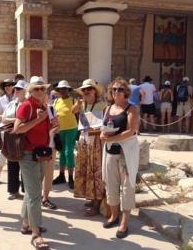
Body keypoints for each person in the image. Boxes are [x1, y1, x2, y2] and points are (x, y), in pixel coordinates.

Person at [14, 76, 55, 250]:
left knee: (32, 191)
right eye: (36, 89)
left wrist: (54, 124)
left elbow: (49, 128)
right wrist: (39, 119)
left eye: (42, 89)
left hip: (41, 153)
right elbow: (18, 129)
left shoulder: (44, 106)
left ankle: (26, 224)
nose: (40, 91)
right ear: (30, 91)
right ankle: (36, 234)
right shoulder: (27, 106)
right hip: (28, 154)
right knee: (35, 193)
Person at [100, 77, 139, 239]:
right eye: (114, 89)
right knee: (111, 184)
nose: (116, 92)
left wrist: (110, 139)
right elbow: (104, 127)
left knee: (126, 187)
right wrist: (103, 134)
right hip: (110, 152)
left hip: (125, 154)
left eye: (120, 89)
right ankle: (114, 215)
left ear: (126, 92)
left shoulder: (131, 109)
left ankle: (124, 221)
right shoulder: (108, 109)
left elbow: (132, 130)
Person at [73, 79, 106, 216]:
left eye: (89, 89)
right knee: (86, 170)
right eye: (84, 90)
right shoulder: (82, 104)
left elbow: (106, 123)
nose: (86, 92)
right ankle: (92, 198)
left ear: (95, 91)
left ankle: (97, 203)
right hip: (84, 139)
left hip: (96, 140)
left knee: (95, 171)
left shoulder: (103, 105)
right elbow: (72, 111)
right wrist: (79, 102)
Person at [1, 80, 28, 200]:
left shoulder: (28, 104)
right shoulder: (11, 104)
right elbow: (4, 119)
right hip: (11, 136)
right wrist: (17, 120)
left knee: (25, 164)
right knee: (12, 162)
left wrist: (15, 120)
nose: (16, 90)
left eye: (19, 89)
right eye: (15, 88)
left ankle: (27, 190)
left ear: (25, 91)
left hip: (25, 136)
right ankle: (13, 190)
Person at [52, 80, 78, 189]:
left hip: (71, 129)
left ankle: (71, 177)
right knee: (61, 153)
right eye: (61, 89)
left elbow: (78, 114)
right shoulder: (56, 101)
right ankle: (62, 175)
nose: (63, 91)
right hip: (60, 130)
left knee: (69, 152)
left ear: (68, 90)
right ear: (58, 90)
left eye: (65, 89)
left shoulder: (73, 100)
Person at [0, 78, 16, 184]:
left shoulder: (18, 97)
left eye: (10, 84)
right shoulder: (1, 99)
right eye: (6, 85)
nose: (8, 86)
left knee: (17, 155)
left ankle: (17, 181)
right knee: (2, 155)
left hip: (17, 130)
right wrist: (5, 118)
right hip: (4, 130)